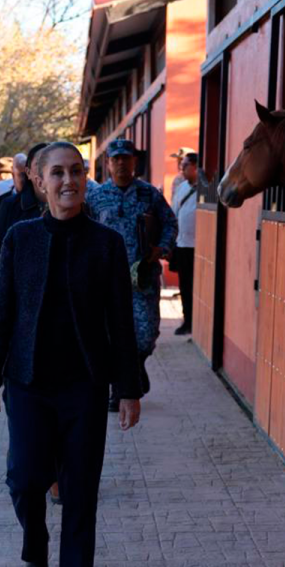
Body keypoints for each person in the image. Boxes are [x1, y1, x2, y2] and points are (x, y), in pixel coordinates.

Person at [0, 141, 142, 567]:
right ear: (38, 180)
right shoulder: (20, 237)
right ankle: (35, 544)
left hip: (86, 386)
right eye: (57, 173)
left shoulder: (107, 244)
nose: (68, 181)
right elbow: (1, 311)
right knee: (25, 480)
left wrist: (128, 388)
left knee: (80, 490)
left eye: (77, 171)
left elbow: (120, 323)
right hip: (28, 384)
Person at [85, 138, 177, 412]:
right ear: (109, 163)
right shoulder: (96, 197)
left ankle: (137, 366)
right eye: (116, 159)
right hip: (106, 279)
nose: (122, 163)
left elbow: (170, 224)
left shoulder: (149, 195)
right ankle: (118, 389)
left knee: (146, 334)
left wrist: (162, 247)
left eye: (127, 158)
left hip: (143, 277)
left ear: (134, 162)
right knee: (111, 335)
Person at [0, 143, 49, 345]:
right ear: (29, 172)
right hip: (17, 309)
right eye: (40, 164)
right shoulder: (9, 206)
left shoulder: (76, 207)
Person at [171, 152, 199, 335]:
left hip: (198, 247)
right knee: (185, 287)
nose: (182, 167)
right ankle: (187, 320)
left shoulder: (206, 189)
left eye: (186, 164)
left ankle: (196, 322)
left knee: (197, 287)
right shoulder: (181, 187)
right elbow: (173, 211)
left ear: (196, 167)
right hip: (182, 245)